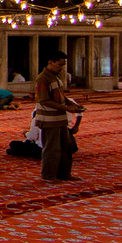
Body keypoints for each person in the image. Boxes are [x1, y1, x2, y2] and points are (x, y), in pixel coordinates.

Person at [32, 53, 81, 181]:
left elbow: (59, 97)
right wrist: (67, 108)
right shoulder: (43, 78)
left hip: (60, 120)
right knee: (52, 149)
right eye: (59, 65)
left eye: (63, 65)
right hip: (49, 120)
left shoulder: (55, 77)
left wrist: (72, 104)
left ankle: (64, 174)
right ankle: (49, 175)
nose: (61, 68)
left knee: (66, 147)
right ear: (50, 62)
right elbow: (44, 100)